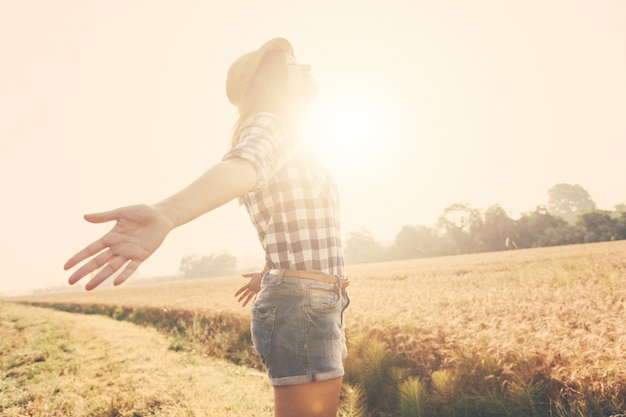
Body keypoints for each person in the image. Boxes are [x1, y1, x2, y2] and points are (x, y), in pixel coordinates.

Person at [64, 38, 350, 417]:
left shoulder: (292, 139)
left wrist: (272, 271)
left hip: (311, 299)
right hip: (305, 304)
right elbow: (242, 166)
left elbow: (288, 220)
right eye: (293, 65)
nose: (307, 68)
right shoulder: (271, 125)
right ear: (271, 83)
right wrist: (167, 213)